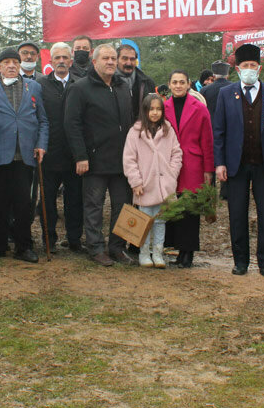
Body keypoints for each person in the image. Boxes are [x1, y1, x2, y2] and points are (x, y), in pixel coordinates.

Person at [213, 43, 264, 277]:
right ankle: (240, 262)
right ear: (237, 69)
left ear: (259, 68)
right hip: (235, 165)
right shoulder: (226, 94)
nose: (249, 69)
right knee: (237, 215)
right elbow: (219, 131)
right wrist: (220, 163)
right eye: (245, 65)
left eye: (253, 65)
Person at [64, 43, 134, 266]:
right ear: (94, 62)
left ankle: (117, 247)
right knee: (93, 206)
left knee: (122, 206)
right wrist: (80, 156)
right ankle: (95, 248)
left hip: (122, 160)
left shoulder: (123, 87)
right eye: (106, 58)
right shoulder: (80, 88)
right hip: (93, 160)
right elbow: (72, 124)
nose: (111, 62)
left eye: (113, 58)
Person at [0, 47, 48, 263]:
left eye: (15, 62)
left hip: (24, 156)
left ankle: (23, 247)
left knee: (24, 205)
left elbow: (43, 121)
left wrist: (41, 144)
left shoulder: (33, 87)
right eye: (6, 62)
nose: (11, 66)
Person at [123, 93, 182, 268]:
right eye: (151, 109)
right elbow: (129, 159)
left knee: (160, 221)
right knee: (144, 220)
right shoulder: (135, 132)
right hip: (145, 185)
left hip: (164, 186)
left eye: (158, 109)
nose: (155, 113)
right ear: (144, 111)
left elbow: (176, 153)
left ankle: (157, 253)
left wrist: (172, 174)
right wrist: (136, 181)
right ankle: (144, 253)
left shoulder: (168, 130)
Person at [163, 69, 214, 267]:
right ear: (169, 84)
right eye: (174, 82)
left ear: (188, 84)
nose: (178, 86)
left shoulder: (199, 108)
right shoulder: (163, 107)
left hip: (193, 164)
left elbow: (207, 140)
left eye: (182, 82)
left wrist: (208, 170)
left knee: (190, 209)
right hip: (170, 164)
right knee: (174, 208)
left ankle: (188, 252)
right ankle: (177, 249)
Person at [37, 42, 83, 252]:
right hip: (48, 153)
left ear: (71, 61)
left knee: (74, 200)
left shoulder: (80, 84)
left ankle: (74, 239)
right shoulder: (40, 85)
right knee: (47, 201)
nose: (62, 61)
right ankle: (49, 239)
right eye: (57, 58)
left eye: (65, 58)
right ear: (51, 61)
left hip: (74, 154)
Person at [117, 42, 155, 119]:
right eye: (124, 58)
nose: (129, 63)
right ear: (116, 60)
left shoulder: (147, 82)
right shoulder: (108, 82)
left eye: (132, 59)